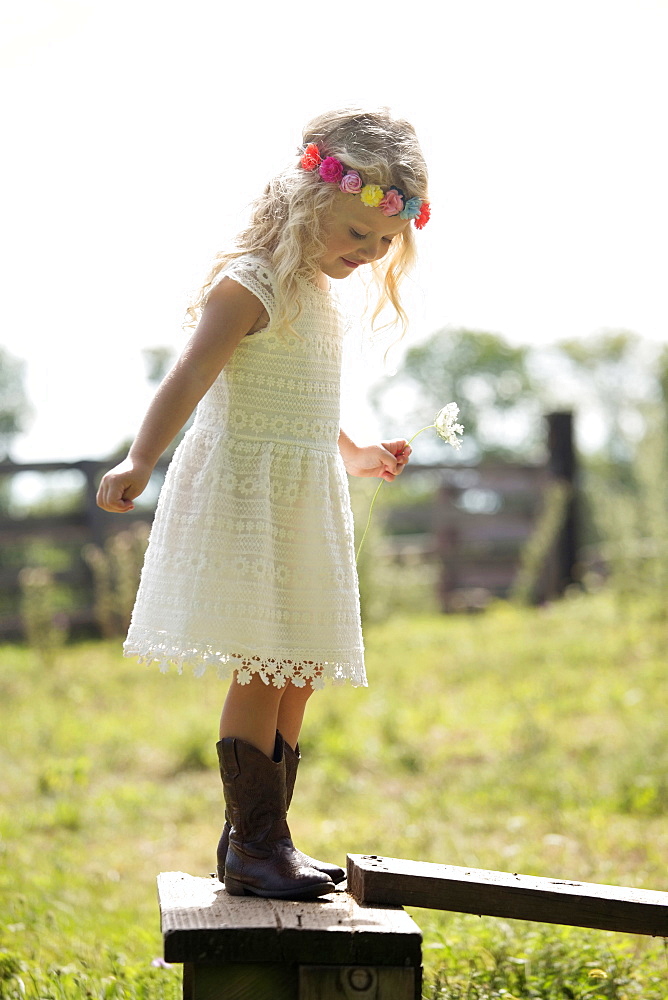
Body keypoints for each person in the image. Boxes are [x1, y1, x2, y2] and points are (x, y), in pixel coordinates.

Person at [96, 107, 430, 900]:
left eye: (382, 242)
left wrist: (355, 452)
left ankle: (259, 836)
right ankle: (255, 843)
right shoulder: (248, 282)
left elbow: (309, 397)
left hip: (303, 494)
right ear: (310, 204)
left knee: (302, 667)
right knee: (263, 660)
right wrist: (141, 456)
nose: (369, 251)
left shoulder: (317, 291)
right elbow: (190, 376)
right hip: (248, 494)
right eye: (357, 231)